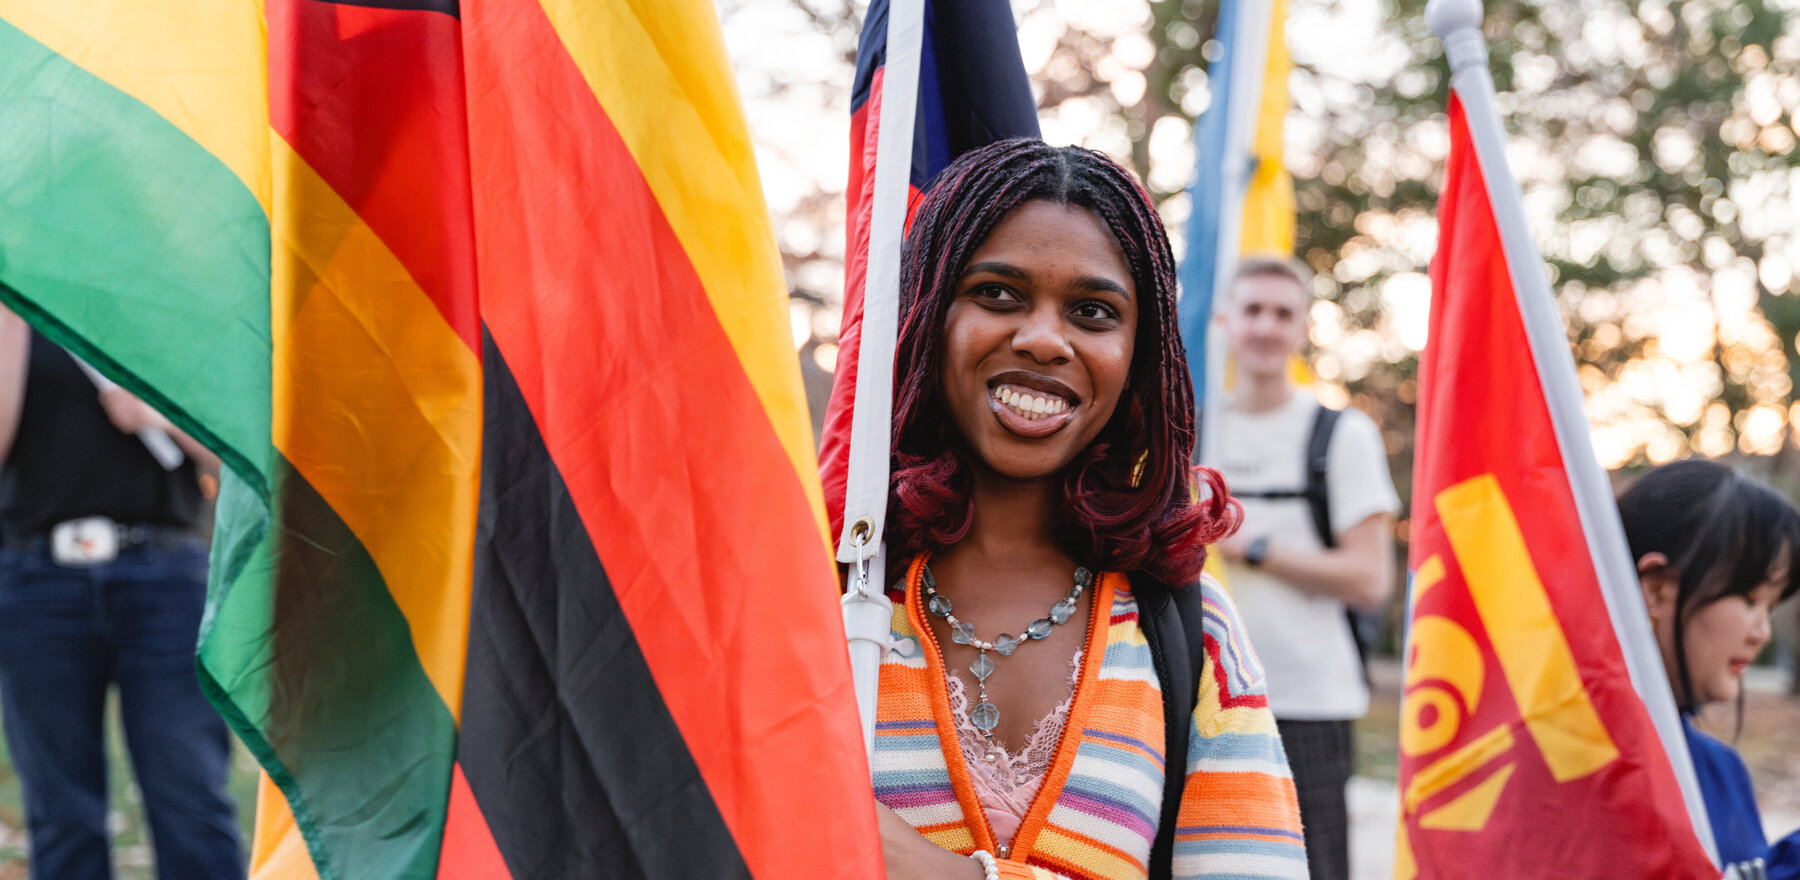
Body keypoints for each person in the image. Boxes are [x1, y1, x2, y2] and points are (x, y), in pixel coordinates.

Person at [865, 139, 1306, 880]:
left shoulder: (1190, 630)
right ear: (925, 313)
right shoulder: (821, 592)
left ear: (1139, 355)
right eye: (997, 293)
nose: (1042, 338)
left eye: (1093, 312)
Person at [0, 305, 243, 880]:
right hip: (36, 580)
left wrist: (162, 416)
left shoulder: (153, 298)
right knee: (60, 808)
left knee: (190, 791)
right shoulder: (17, 310)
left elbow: (240, 455)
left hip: (165, 575)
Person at [1210, 257, 1400, 880]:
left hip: (1310, 702)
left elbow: (1372, 579)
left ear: (1304, 330)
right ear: (1225, 323)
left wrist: (1258, 547)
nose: (1266, 326)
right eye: (1253, 310)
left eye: (1282, 313)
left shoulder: (1340, 435)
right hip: (1203, 701)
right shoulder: (1193, 432)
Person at [1618, 459, 1800, 880]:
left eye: (1771, 608)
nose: (1762, 633)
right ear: (1657, 587)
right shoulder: (1576, 765)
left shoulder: (1721, 771)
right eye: (1750, 598)